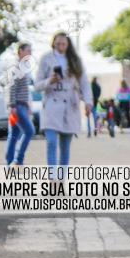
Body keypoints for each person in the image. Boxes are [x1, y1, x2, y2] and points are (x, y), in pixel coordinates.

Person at [34, 31, 93, 170]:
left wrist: (88, 102)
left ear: (68, 44)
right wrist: (50, 80)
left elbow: (84, 83)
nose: (61, 45)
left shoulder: (75, 60)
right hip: (51, 105)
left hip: (70, 106)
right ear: (53, 42)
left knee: (65, 147)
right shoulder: (46, 59)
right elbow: (37, 85)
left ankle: (61, 179)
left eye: (63, 43)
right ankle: (53, 178)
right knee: (51, 143)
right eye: (58, 43)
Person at [4, 43, 35, 165]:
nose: (30, 53)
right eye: (28, 50)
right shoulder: (17, 67)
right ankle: (18, 160)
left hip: (22, 105)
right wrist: (12, 106)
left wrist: (28, 105)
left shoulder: (24, 67)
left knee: (13, 135)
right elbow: (11, 87)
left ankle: (10, 163)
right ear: (20, 51)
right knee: (30, 131)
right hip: (17, 106)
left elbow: (23, 89)